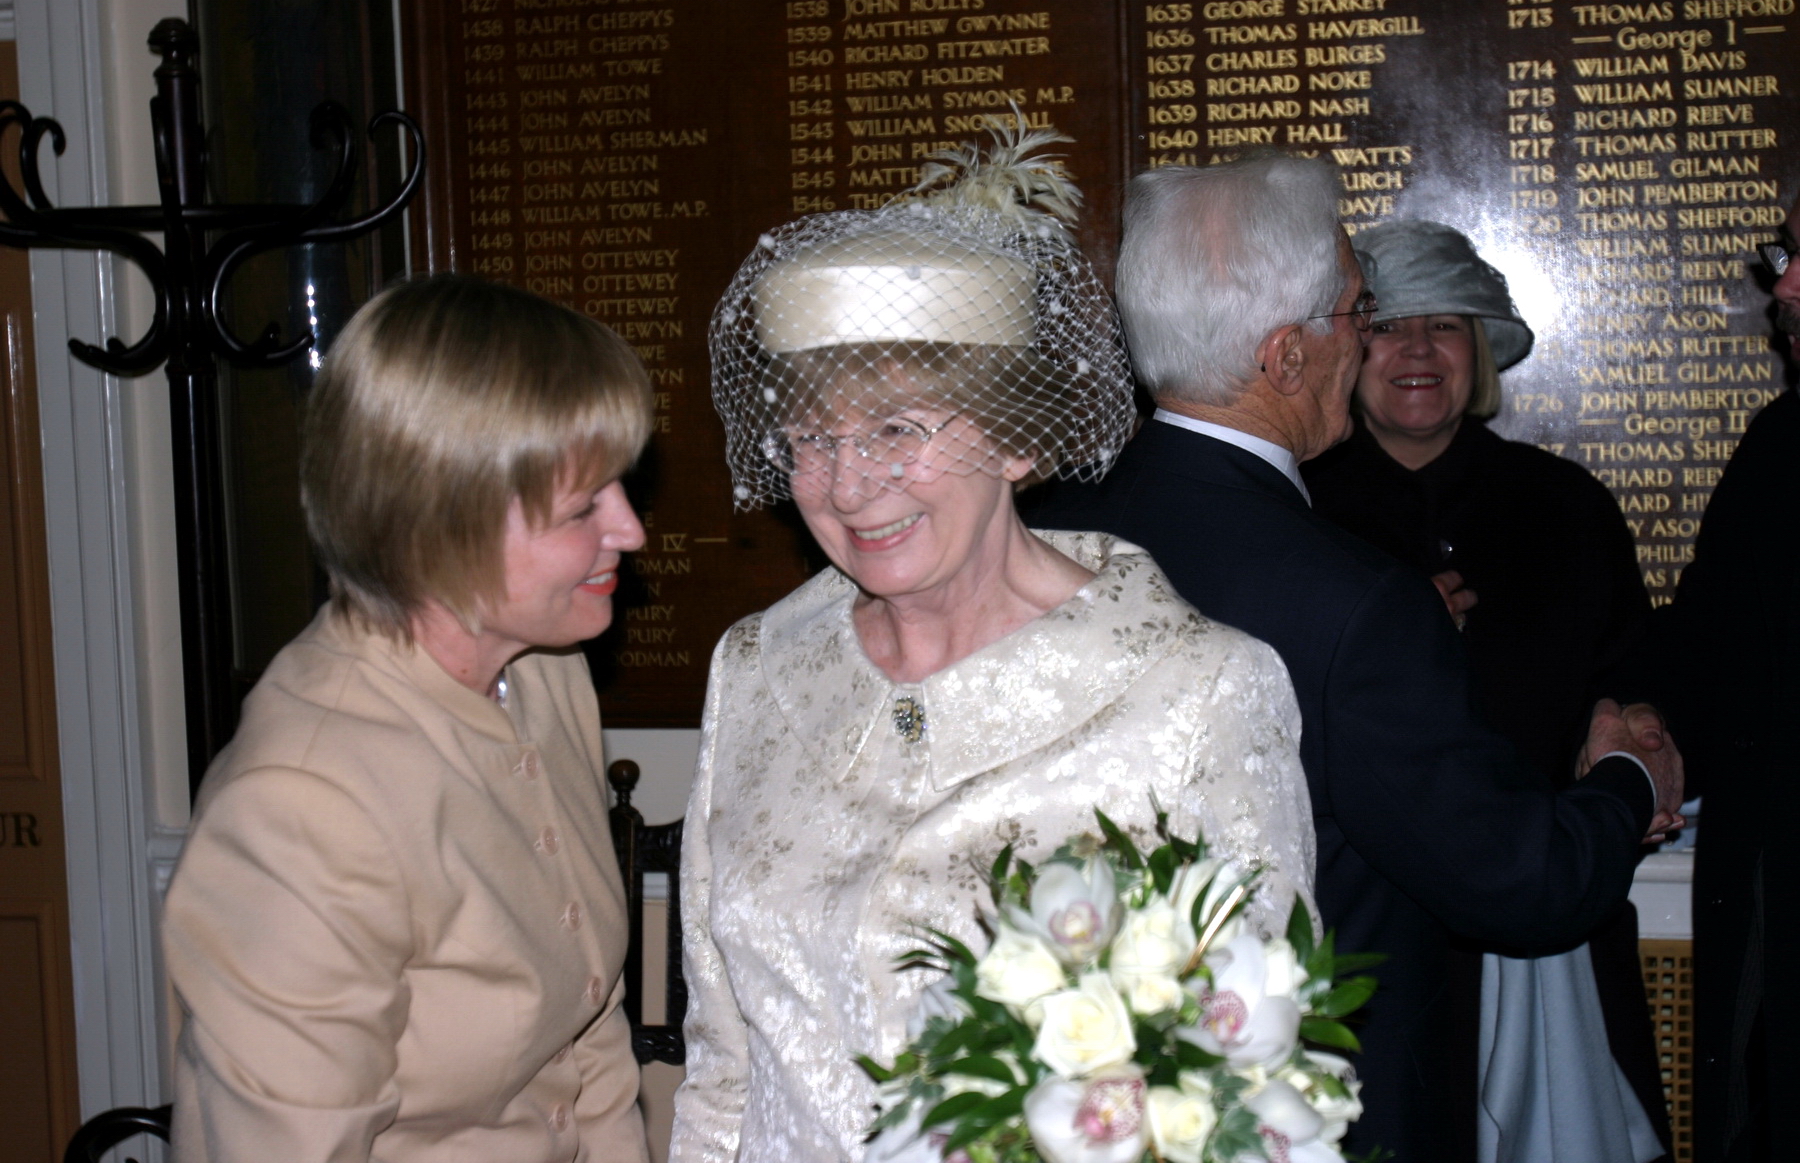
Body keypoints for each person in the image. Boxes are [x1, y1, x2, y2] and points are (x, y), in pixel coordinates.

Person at [669, 128, 1318, 1163]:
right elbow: (723, 1060)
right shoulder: (755, 668)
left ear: (1017, 437)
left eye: (897, 429)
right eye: (812, 439)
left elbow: (1248, 1091)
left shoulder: (1195, 691)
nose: (848, 484)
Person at [1028, 154, 1684, 1163]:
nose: (1373, 333)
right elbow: (1524, 883)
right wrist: (1632, 777)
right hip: (1313, 1106)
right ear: (1289, 356)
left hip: (1093, 1086)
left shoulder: (1046, 534)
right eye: (1359, 311)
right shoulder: (1356, 600)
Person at [162, 275, 654, 1163]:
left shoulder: (543, 674)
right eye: (584, 507)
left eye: (619, 487)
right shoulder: (302, 806)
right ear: (440, 525)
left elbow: (592, 1030)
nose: (630, 529)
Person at [1303, 219, 1669, 1162]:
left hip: (1554, 917)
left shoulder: (1567, 504)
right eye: (1390, 326)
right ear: (1347, 348)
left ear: (1481, 351)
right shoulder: (1298, 517)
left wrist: (1633, 728)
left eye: (1447, 326)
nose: (1419, 351)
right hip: (1365, 933)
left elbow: (1632, 673)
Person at [1658, 191, 1800, 1163]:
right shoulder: (1778, 447)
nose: (1780, 288)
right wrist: (1634, 715)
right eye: (1785, 254)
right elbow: (1707, 649)